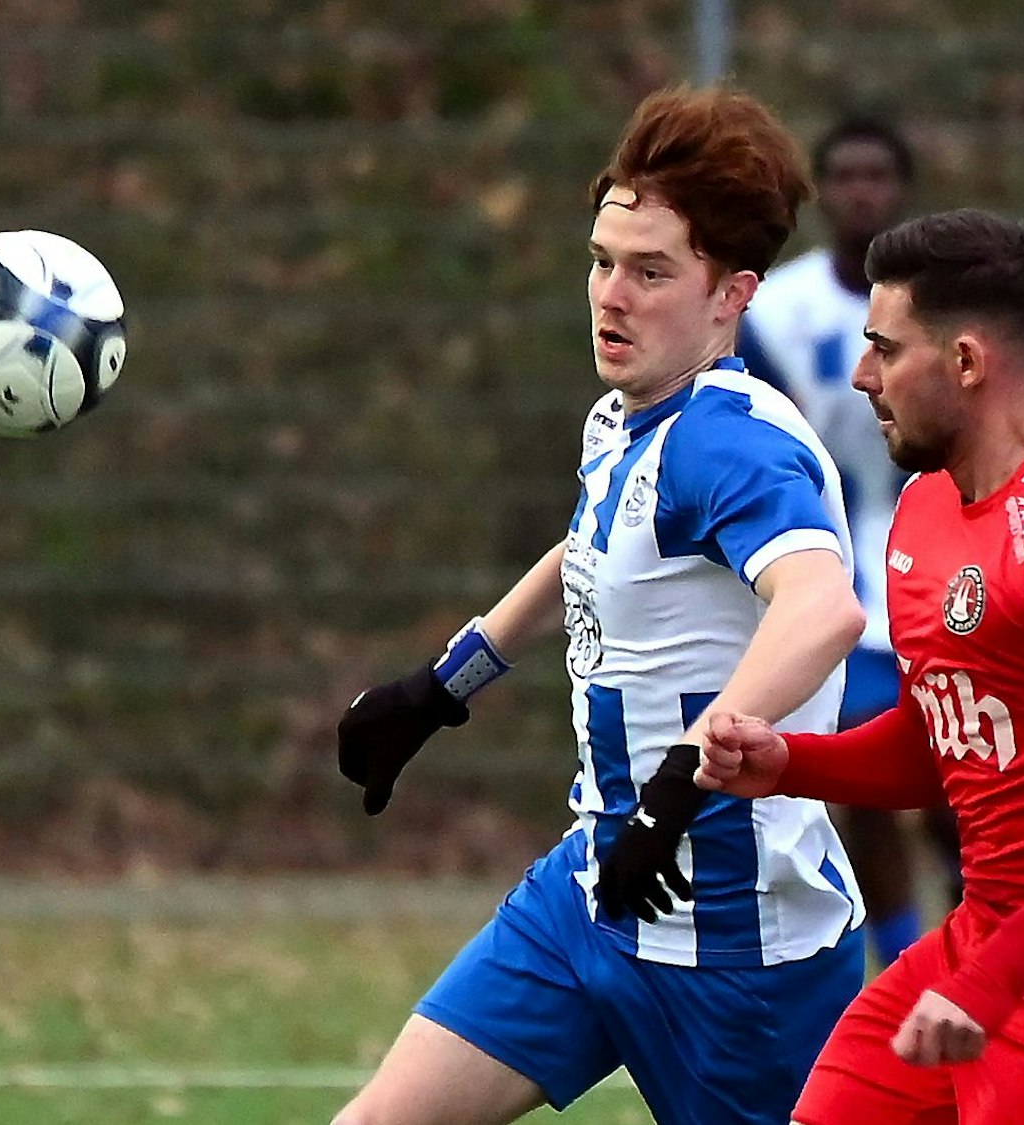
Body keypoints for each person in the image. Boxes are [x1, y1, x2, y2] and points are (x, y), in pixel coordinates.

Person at [329, 85, 869, 1125]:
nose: (611, 296)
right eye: (601, 261)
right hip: (594, 889)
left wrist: (678, 783)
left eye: (650, 272)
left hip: (738, 946)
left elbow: (822, 609)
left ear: (732, 295)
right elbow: (589, 551)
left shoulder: (730, 443)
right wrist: (440, 689)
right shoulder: (629, 418)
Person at [697, 209, 1024, 1123]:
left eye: (884, 348)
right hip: (990, 941)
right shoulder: (927, 508)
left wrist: (994, 981)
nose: (862, 375)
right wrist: (790, 762)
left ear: (966, 361)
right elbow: (939, 744)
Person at [739, 116, 961, 967]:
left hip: (946, 567)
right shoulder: (775, 311)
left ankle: (980, 934)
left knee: (962, 777)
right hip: (835, 575)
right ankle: (903, 958)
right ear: (821, 193)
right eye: (845, 175)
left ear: (903, 189)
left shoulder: (947, 306)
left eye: (878, 175)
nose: (862, 191)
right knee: (865, 775)